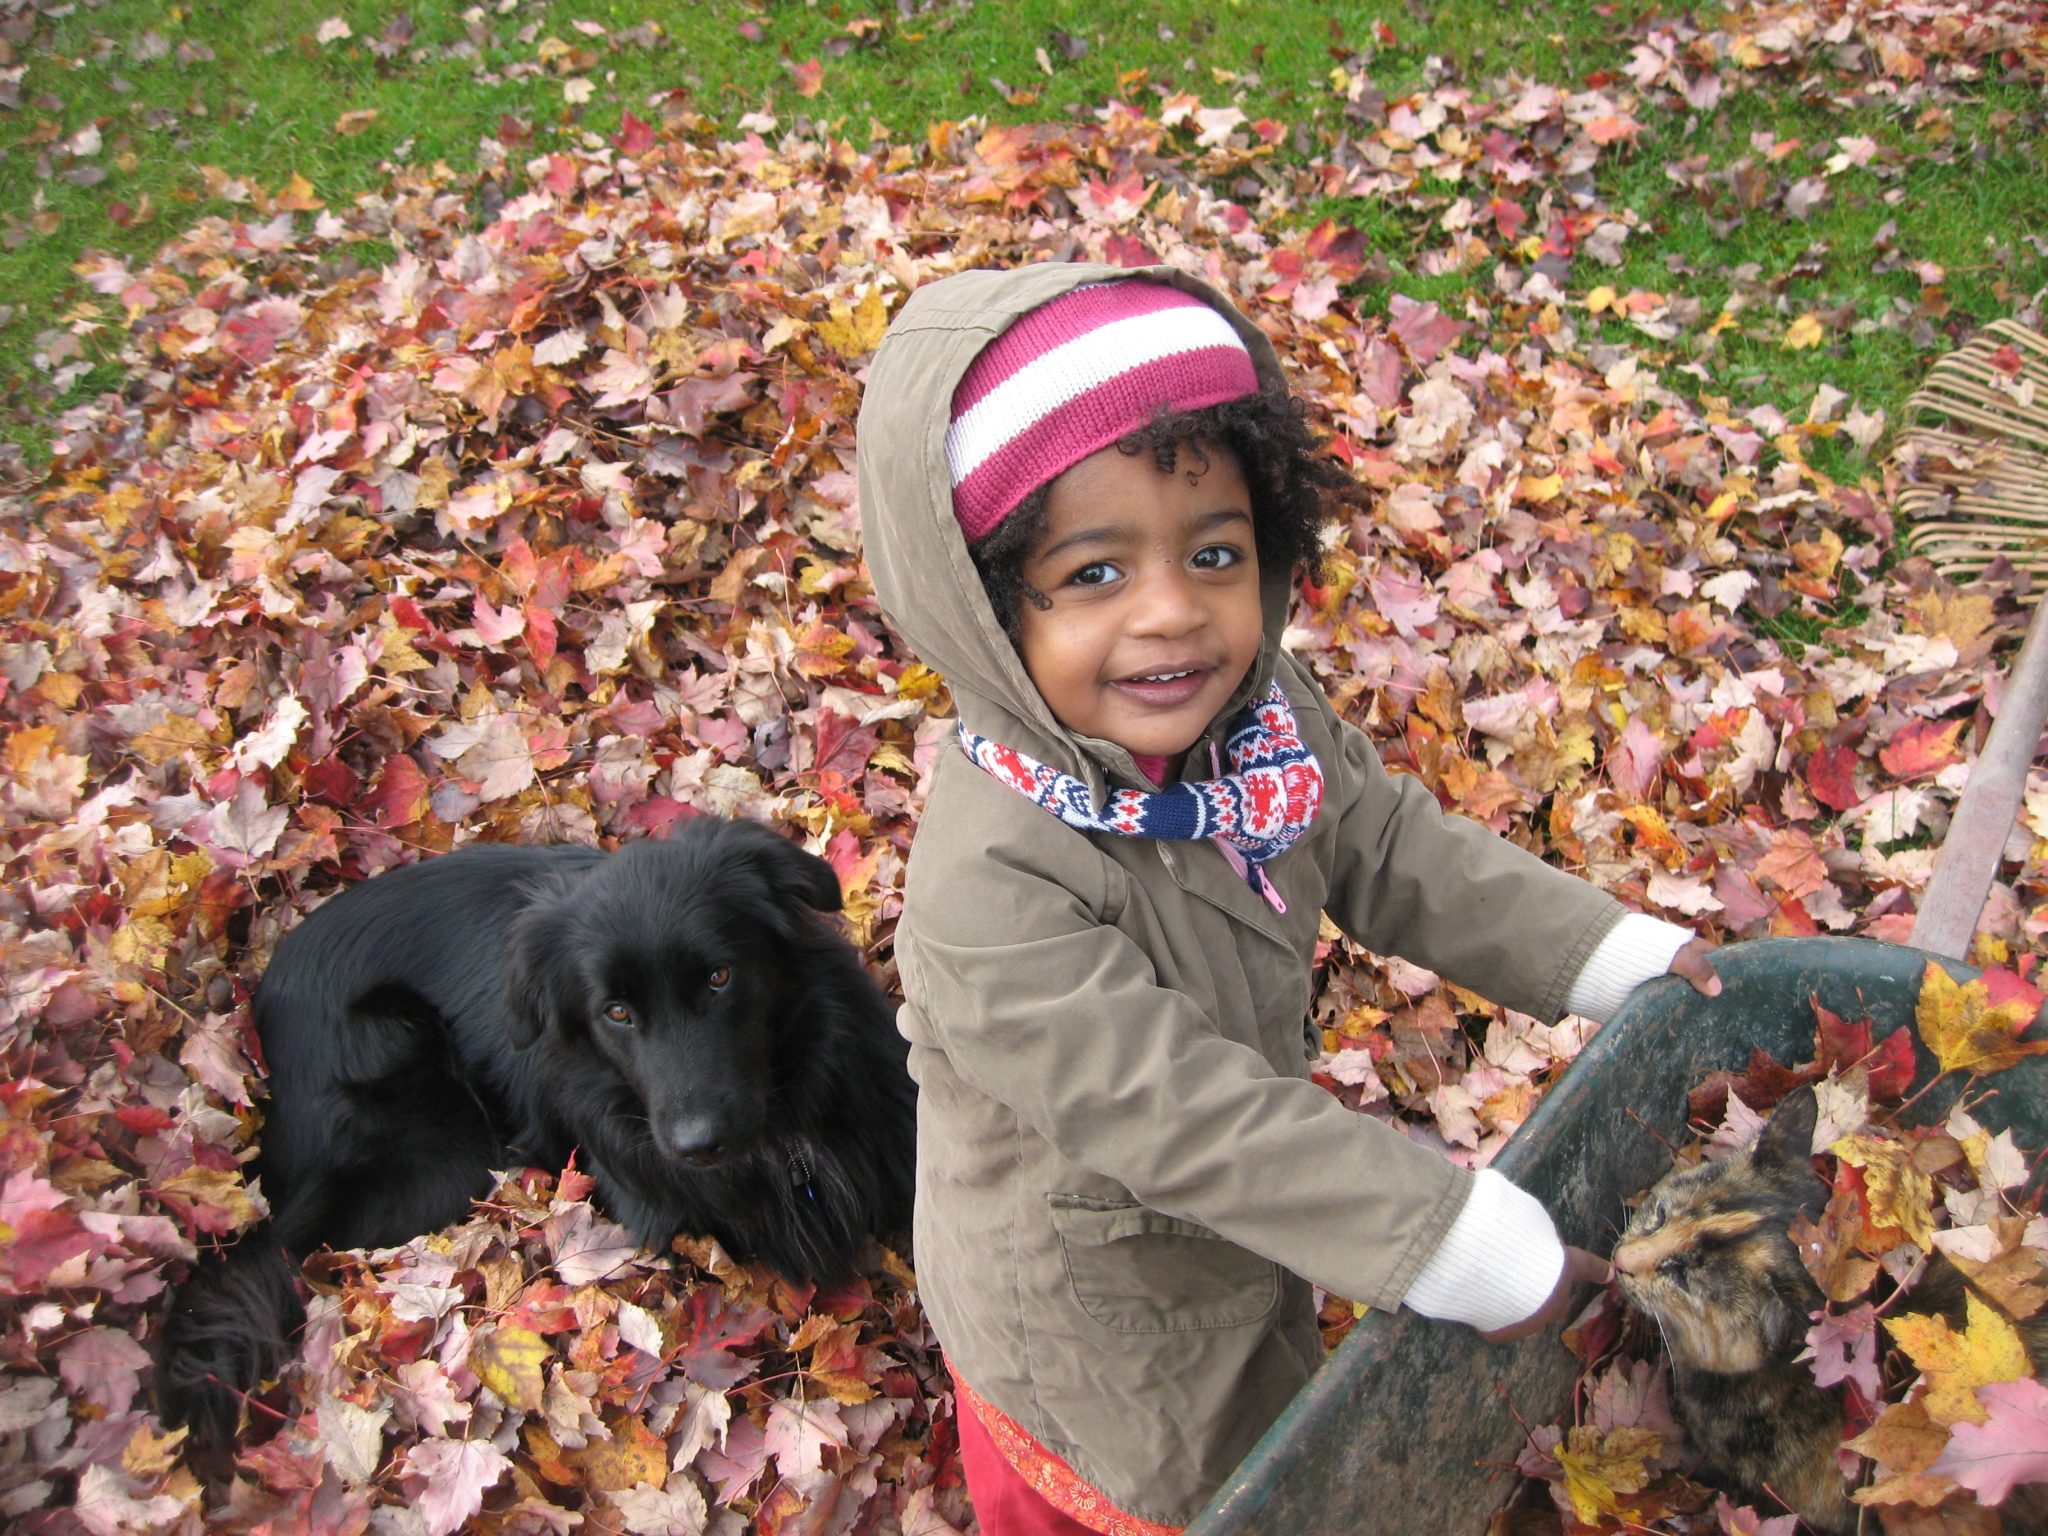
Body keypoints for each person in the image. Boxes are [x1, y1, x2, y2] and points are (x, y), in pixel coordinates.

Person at [855, 263, 1719, 1536]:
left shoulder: (1250, 719)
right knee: (1175, 1494)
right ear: (984, 606)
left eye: (1213, 554)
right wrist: (1450, 1241)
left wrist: (1604, 956)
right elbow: (1182, 1118)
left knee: (1266, 1417)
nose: (1171, 615)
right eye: (1091, 574)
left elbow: (1382, 842)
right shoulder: (993, 883)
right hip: (1089, 1309)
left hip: (1252, 1226)